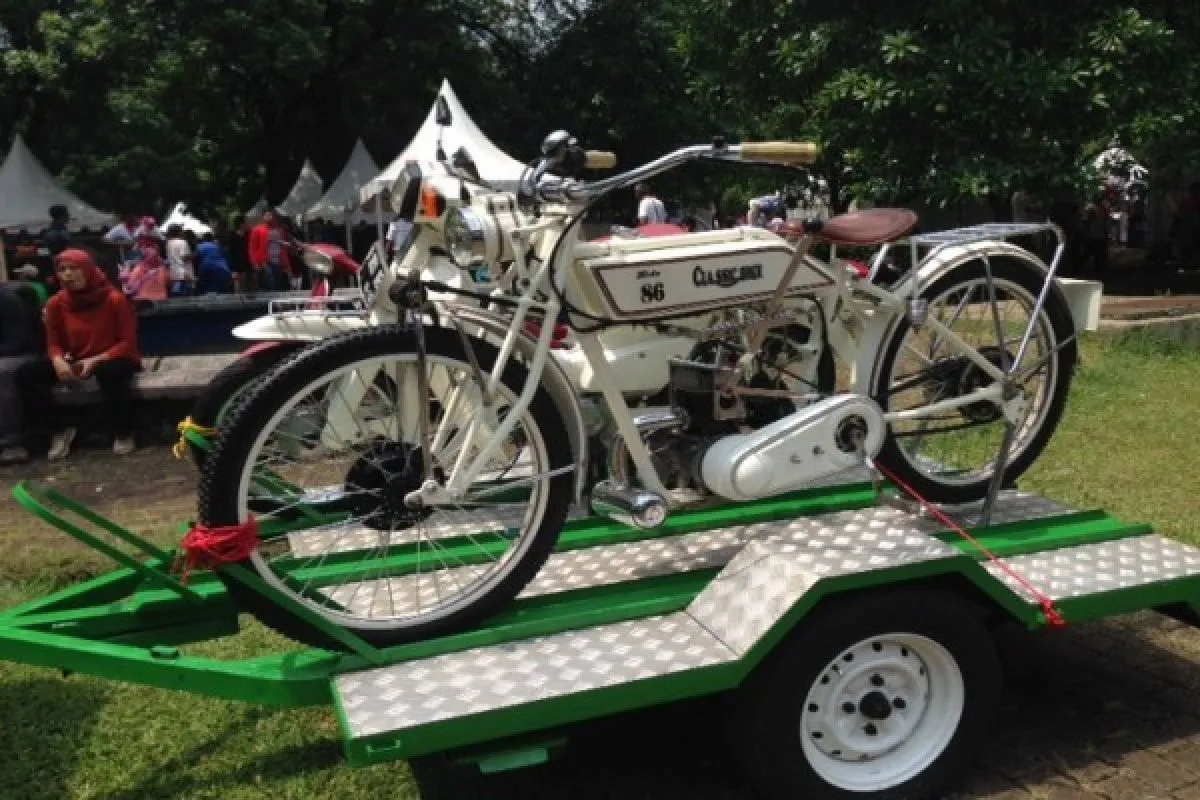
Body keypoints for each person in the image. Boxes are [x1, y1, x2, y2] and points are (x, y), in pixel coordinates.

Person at [16, 248, 142, 459]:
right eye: (62, 269)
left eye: (74, 269)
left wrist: (97, 359)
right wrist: (58, 360)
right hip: (76, 358)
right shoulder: (56, 304)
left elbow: (127, 342)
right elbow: (53, 343)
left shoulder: (114, 299)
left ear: (88, 270)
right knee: (28, 373)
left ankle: (122, 432)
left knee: (111, 373)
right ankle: (57, 431)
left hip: (112, 356)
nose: (68, 274)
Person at [0, 278, 48, 464]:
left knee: (2, 372)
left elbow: (18, 342)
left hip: (23, 353)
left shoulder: (9, 300)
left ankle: (11, 443)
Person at [165, 224, 194, 296]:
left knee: (176, 298)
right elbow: (184, 257)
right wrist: (194, 255)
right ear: (179, 232)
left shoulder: (168, 243)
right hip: (184, 275)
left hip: (173, 274)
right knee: (186, 299)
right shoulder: (183, 242)